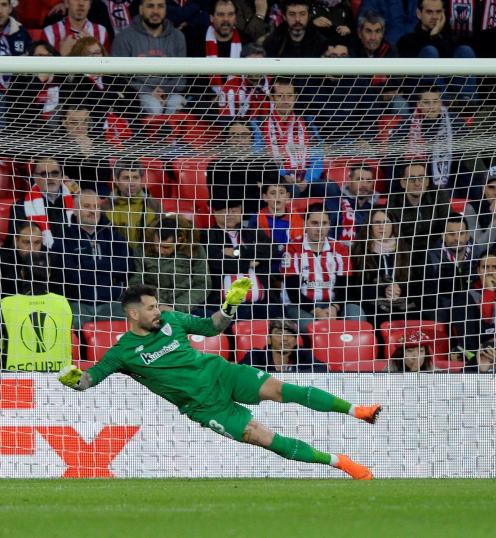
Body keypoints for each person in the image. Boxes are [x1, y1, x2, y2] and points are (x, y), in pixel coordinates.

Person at [57, 283, 380, 479]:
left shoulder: (171, 320)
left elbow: (211, 327)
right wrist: (73, 378)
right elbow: (89, 380)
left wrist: (229, 306)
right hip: (202, 404)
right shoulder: (122, 352)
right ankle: (341, 463)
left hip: (220, 372)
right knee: (261, 436)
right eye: (152, 308)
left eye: (158, 305)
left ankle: (357, 411)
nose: (159, 311)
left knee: (280, 390)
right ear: (133, 315)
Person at [53, 189, 130, 330]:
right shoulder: (63, 240)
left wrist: (88, 264)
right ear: (75, 210)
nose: (93, 211)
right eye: (87, 206)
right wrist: (107, 271)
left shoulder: (115, 237)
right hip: (77, 304)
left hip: (111, 303)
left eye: (96, 207)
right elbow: (70, 276)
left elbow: (125, 268)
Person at [111, 0, 189, 115]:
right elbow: (120, 79)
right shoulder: (123, 38)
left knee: (178, 103)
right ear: (141, 9)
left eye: (160, 6)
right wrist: (150, 91)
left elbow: (182, 79)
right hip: (138, 95)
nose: (156, 11)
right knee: (154, 107)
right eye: (150, 6)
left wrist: (164, 91)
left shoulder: (178, 37)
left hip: (170, 93)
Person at [104, 159, 162, 247]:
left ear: (141, 179)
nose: (132, 183)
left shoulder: (154, 205)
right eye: (126, 178)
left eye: (135, 177)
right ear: (116, 180)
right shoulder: (105, 207)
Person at [242, 319, 326, 373]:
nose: (285, 338)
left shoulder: (303, 354)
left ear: (296, 340)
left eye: (289, 334)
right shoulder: (256, 356)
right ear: (269, 339)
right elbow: (240, 373)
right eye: (279, 334)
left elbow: (323, 369)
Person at [43, 0, 111, 56]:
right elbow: (43, 69)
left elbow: (108, 66)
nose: (81, 3)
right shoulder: (49, 33)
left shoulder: (101, 32)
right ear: (66, 3)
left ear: (90, 4)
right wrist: (61, 54)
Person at [263, 0, 328, 57]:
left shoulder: (321, 41)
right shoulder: (272, 42)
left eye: (302, 14)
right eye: (292, 14)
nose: (297, 19)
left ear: (309, 16)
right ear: (284, 16)